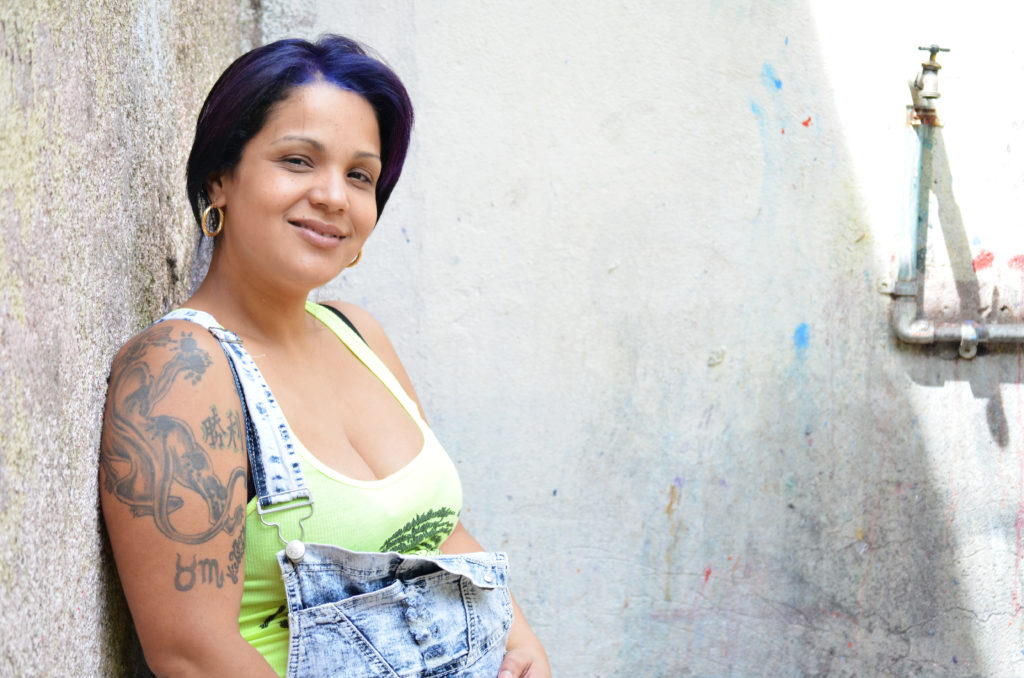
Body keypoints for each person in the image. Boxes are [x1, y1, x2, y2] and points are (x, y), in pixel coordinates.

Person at [100, 35, 550, 677]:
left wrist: (523, 645)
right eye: (298, 160)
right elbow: (192, 654)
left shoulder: (357, 333)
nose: (334, 196)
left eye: (359, 176)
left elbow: (434, 530)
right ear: (220, 178)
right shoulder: (183, 369)